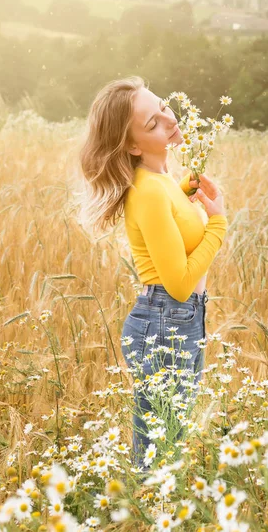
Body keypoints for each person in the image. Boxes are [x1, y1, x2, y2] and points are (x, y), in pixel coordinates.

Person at [79, 75, 227, 475]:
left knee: (168, 446)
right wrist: (218, 225)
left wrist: (183, 191)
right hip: (167, 319)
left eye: (163, 106)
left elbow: (168, 221)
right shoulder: (147, 190)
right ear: (131, 144)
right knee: (156, 458)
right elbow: (178, 284)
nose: (168, 118)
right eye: (152, 123)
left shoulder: (160, 182)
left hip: (179, 319)